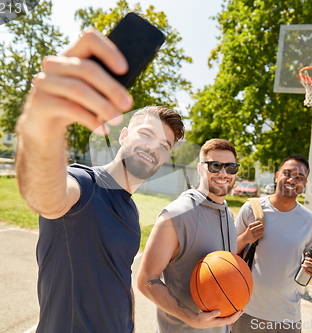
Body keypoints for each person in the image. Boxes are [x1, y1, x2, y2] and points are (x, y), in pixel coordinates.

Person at [15, 27, 185, 333]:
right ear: (123, 135)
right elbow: (45, 196)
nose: (153, 148)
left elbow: (119, 278)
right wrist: (40, 127)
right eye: (146, 135)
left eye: (164, 146)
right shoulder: (84, 185)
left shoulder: (131, 211)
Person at [137, 139, 244, 333]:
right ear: (201, 169)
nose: (223, 173)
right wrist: (192, 318)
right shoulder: (177, 213)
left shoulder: (227, 213)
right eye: (215, 166)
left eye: (231, 167)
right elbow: (146, 280)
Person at [232, 154, 312, 333]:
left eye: (299, 178)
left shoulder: (310, 222)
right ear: (276, 176)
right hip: (246, 310)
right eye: (287, 173)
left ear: (305, 184)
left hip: (287, 317)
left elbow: (310, 272)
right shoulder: (252, 208)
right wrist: (245, 238)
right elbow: (227, 253)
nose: (292, 180)